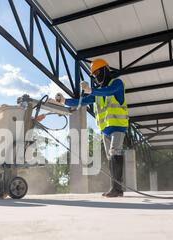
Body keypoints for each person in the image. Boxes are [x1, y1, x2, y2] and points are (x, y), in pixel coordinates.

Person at [55, 58, 129, 197]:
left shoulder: (117, 83)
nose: (96, 76)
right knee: (111, 156)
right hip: (105, 129)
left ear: (105, 70)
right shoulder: (97, 93)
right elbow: (81, 102)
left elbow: (109, 91)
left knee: (115, 152)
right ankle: (116, 188)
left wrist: (91, 90)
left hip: (118, 126)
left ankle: (117, 188)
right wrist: (64, 101)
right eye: (94, 75)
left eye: (97, 73)